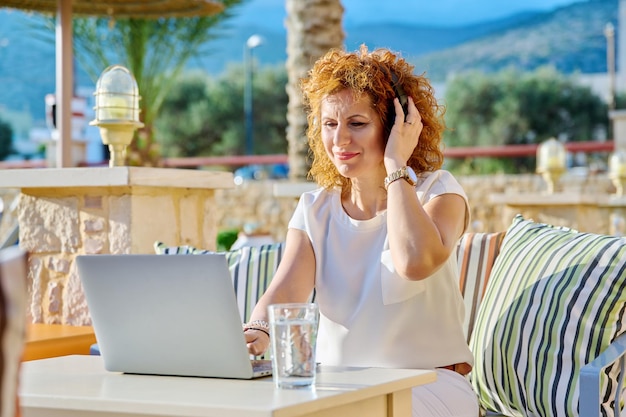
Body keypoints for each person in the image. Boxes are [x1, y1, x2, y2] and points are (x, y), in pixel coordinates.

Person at [243, 44, 479, 416]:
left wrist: (395, 165)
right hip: (337, 390)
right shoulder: (314, 209)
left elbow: (415, 262)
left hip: (429, 387)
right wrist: (256, 331)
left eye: (357, 123)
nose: (339, 141)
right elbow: (286, 290)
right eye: (330, 124)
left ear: (397, 125)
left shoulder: (439, 191)